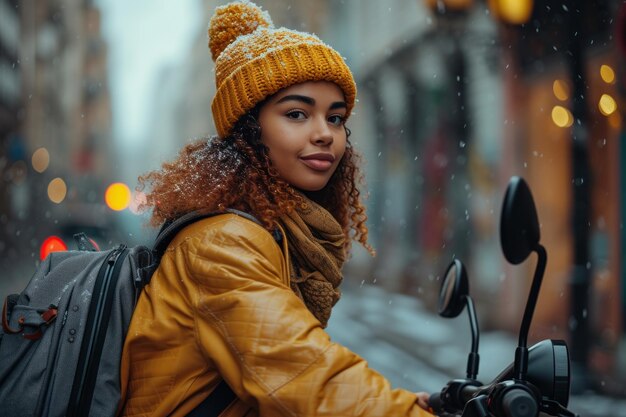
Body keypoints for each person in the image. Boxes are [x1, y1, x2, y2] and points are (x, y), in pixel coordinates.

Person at [118, 1, 433, 416]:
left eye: (336, 118)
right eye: (297, 113)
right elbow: (302, 377)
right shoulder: (221, 244)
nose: (325, 134)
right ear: (249, 129)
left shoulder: (272, 231)